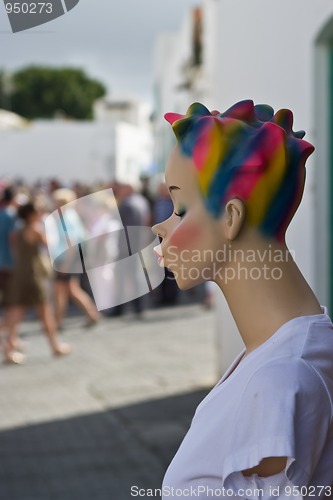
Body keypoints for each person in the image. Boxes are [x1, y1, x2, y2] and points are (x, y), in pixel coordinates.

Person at [152, 101, 333, 498]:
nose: (159, 226)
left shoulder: (281, 381)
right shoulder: (282, 355)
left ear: (231, 218)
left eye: (180, 208)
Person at [4, 200, 71, 363]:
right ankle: (54, 346)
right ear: (31, 215)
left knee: (18, 312)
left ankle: (10, 349)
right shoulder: (35, 229)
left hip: (21, 273)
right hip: (33, 276)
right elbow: (51, 247)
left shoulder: (16, 232)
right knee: (38, 312)